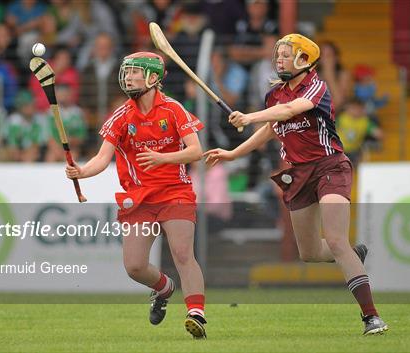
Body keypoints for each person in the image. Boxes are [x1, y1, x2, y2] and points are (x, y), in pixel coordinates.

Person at [204, 34, 388, 335]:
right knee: (311, 252)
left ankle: (371, 317)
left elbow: (290, 111)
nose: (279, 60)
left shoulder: (316, 86)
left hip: (330, 166)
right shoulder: (273, 95)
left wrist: (249, 116)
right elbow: (270, 128)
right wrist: (232, 153)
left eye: (286, 55)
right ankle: (354, 254)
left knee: (336, 239)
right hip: (299, 174)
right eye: (278, 55)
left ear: (304, 60)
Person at [65, 52, 208, 339]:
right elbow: (102, 158)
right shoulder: (121, 115)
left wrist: (161, 158)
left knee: (182, 252)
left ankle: (196, 314)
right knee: (134, 266)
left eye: (135, 72)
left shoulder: (173, 110)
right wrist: (82, 171)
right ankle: (165, 288)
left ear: (153, 78)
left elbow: (196, 151)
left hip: (174, 192)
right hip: (139, 198)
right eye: (126, 72)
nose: (128, 77)